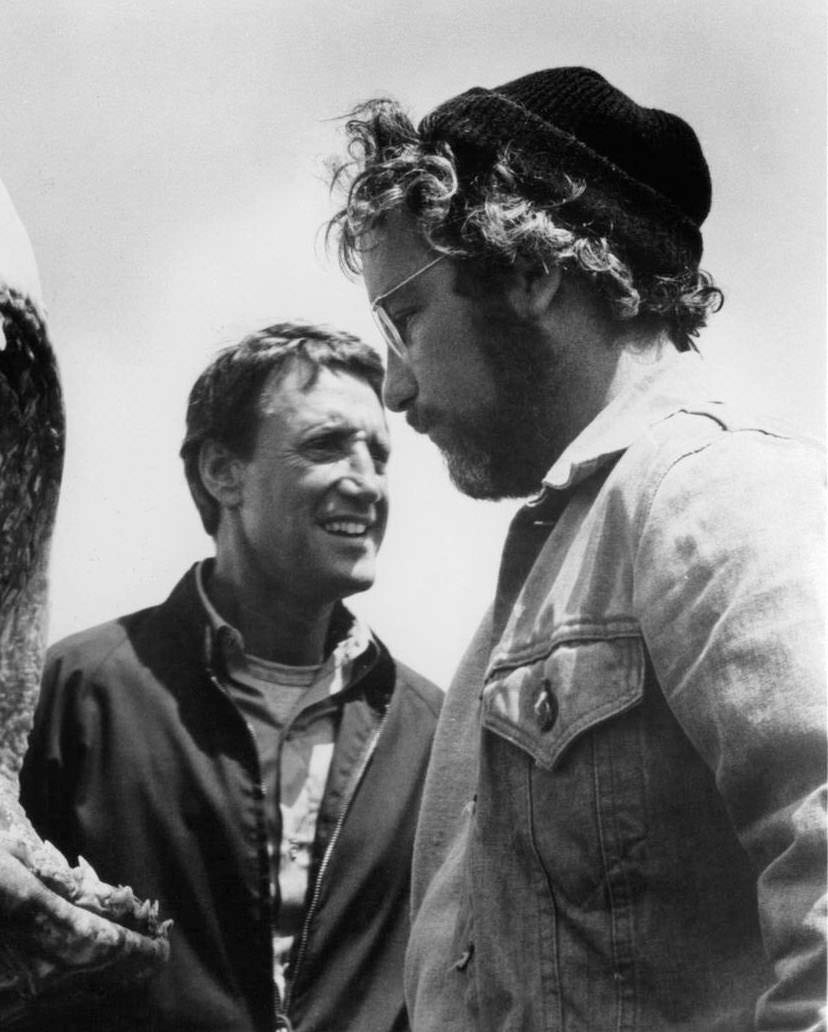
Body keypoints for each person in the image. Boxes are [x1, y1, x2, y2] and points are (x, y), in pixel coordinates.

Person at [327, 66, 827, 1030]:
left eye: (404, 322)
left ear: (530, 271)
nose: (392, 389)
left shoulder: (705, 492)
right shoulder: (549, 572)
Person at [19, 322, 442, 1031]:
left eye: (379, 454)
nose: (366, 482)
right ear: (222, 471)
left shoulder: (434, 728)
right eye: (326, 445)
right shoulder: (76, 691)